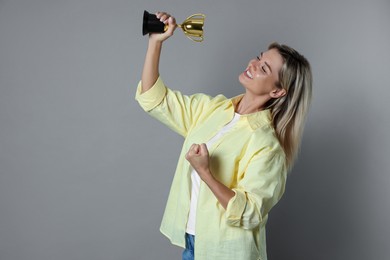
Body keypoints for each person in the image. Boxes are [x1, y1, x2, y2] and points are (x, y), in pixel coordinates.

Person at [135, 11, 312, 260]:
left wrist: (205, 172)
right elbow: (155, 100)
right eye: (259, 57)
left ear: (278, 91)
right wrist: (155, 42)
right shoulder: (214, 109)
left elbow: (250, 212)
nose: (252, 64)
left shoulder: (267, 146)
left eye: (263, 68)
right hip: (193, 242)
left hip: (226, 253)